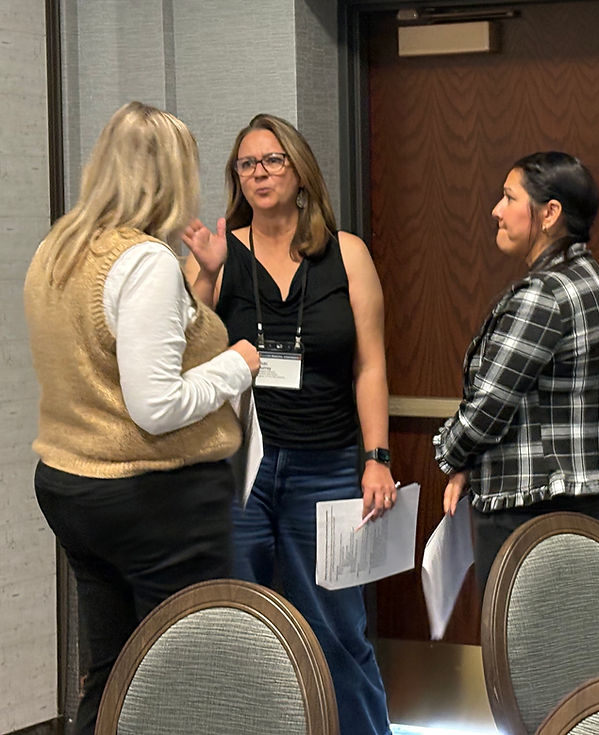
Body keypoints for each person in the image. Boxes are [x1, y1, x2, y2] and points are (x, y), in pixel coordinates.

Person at [23, 101, 260, 735]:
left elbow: (114, 355)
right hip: (154, 497)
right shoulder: (145, 262)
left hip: (72, 485)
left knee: (113, 667)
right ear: (170, 176)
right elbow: (156, 408)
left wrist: (203, 285)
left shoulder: (59, 249)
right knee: (186, 675)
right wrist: (238, 363)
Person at [182, 114, 394, 735]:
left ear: (300, 172)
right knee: (240, 625)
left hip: (325, 467)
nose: (260, 173)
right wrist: (208, 273)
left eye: (273, 160)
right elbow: (185, 354)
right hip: (238, 471)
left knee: (336, 628)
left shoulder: (346, 253)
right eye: (247, 164)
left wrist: (376, 456)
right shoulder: (221, 253)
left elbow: (371, 364)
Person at [435, 151, 599, 591]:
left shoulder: (545, 295)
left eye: (509, 197)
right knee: (570, 641)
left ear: (549, 214)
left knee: (517, 649)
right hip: (587, 503)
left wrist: (450, 456)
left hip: (530, 506)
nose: (496, 210)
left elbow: (488, 405)